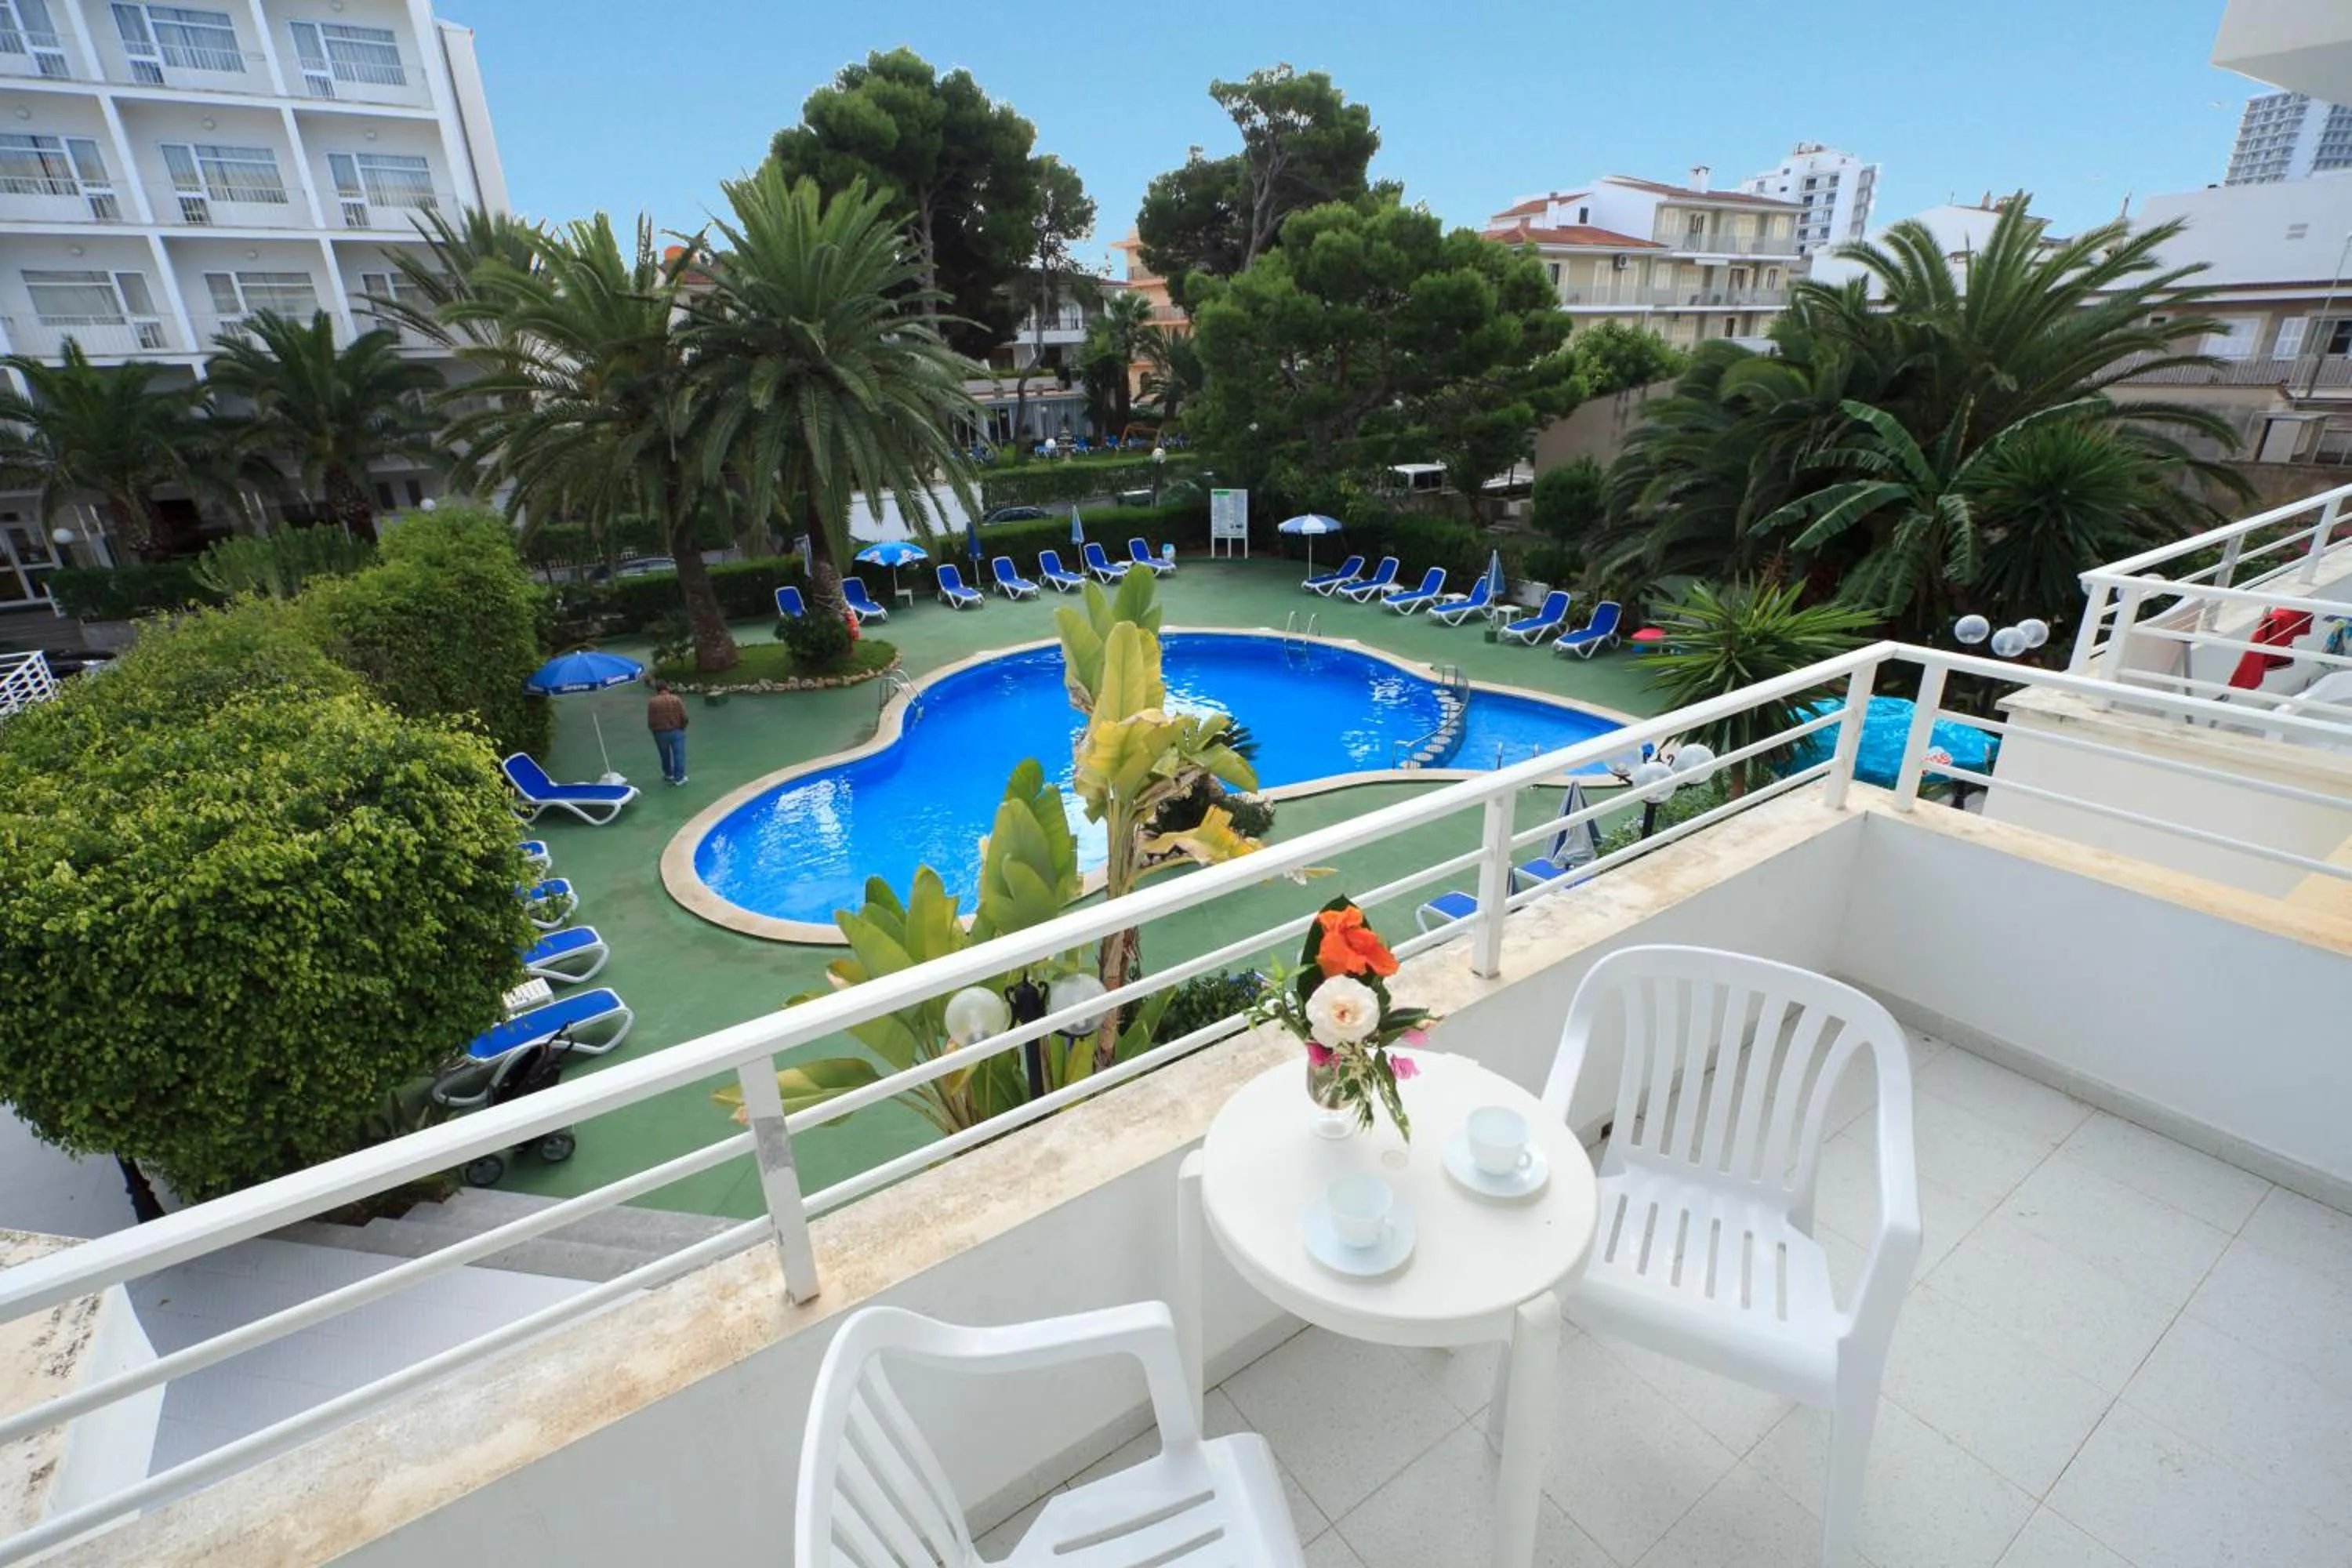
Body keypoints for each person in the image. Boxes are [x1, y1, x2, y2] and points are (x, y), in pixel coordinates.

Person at [646, 680, 688, 786]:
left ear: (657, 690)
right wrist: (682, 727)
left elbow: (651, 719)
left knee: (664, 755)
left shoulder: (652, 702)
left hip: (660, 732)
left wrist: (653, 730)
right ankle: (679, 778)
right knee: (678, 755)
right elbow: (683, 716)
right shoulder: (676, 699)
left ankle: (668, 774)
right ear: (667, 688)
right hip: (676, 731)